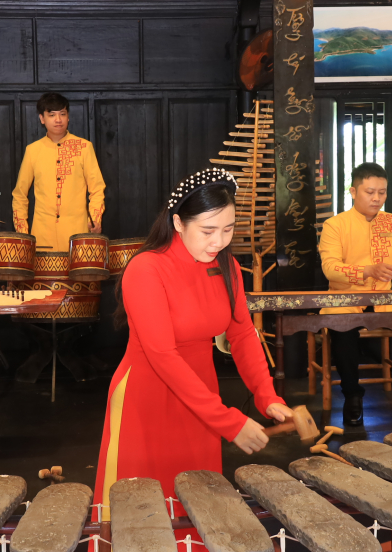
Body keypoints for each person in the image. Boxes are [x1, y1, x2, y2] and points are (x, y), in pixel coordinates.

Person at [93, 167, 291, 524]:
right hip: (148, 398)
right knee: (143, 511)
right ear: (179, 223)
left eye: (228, 229)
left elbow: (243, 334)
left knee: (198, 504)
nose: (218, 241)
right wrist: (228, 421)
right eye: (208, 231)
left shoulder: (226, 266)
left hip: (201, 397)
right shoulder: (146, 269)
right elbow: (162, 357)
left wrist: (267, 396)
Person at [318, 162, 392, 426]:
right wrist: (368, 270)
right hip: (346, 299)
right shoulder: (335, 225)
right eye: (370, 192)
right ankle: (352, 395)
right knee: (342, 324)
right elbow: (330, 268)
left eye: (382, 193)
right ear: (353, 192)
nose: (377, 198)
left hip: (386, 300)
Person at [12, 93, 106, 251]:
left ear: (68, 117)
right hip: (42, 234)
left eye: (62, 114)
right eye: (52, 115)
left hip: (77, 233)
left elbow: (97, 188)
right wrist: (23, 232)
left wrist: (95, 219)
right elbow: (19, 195)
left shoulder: (83, 147)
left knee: (77, 275)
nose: (58, 119)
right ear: (42, 118)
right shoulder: (33, 150)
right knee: (44, 276)